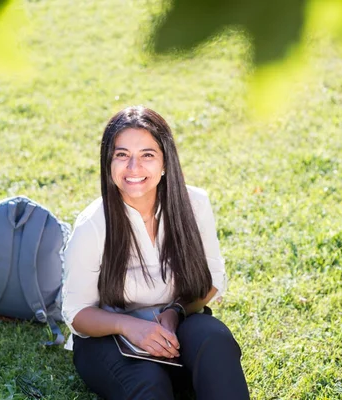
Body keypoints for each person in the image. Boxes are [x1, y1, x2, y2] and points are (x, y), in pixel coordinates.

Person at [61, 106, 249, 400]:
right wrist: (129, 326)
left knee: (216, 341)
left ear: (165, 162)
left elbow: (213, 279)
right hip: (108, 338)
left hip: (177, 326)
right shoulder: (93, 225)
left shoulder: (195, 204)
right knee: (150, 384)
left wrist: (176, 312)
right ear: (108, 163)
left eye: (147, 154)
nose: (133, 167)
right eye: (122, 155)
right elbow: (76, 314)